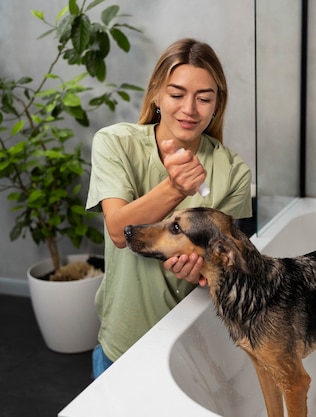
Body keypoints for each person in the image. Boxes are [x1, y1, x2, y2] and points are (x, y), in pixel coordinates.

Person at [86, 38, 253, 378]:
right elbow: (119, 231)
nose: (190, 109)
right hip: (123, 341)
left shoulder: (234, 172)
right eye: (177, 95)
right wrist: (175, 187)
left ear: (217, 104)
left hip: (194, 343)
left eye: (204, 98)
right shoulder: (115, 143)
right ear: (156, 95)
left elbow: (235, 266)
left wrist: (203, 270)